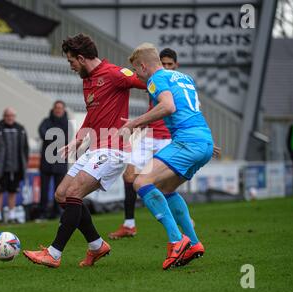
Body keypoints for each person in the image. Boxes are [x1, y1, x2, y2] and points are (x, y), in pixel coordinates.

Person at [23, 33, 146, 268]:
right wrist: (77, 141)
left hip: (114, 149)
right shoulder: (87, 79)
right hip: (95, 147)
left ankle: (54, 253)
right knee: (62, 194)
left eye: (71, 62)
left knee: (74, 193)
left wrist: (162, 107)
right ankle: (97, 245)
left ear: (81, 57)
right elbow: (93, 114)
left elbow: (148, 83)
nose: (71, 67)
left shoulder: (114, 74)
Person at [117, 43, 214, 270]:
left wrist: (134, 123)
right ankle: (194, 243)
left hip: (187, 141)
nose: (138, 77)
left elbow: (168, 106)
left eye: (137, 71)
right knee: (167, 189)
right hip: (204, 141)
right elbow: (187, 109)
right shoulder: (183, 77)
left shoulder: (155, 79)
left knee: (140, 181)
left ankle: (176, 240)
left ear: (142, 65)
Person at [109, 48, 176, 240]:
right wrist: (140, 124)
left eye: (170, 64)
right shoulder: (154, 80)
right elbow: (153, 107)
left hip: (169, 138)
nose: (166, 67)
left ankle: (178, 225)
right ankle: (129, 224)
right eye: (163, 63)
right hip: (150, 135)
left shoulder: (176, 82)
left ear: (176, 66)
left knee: (166, 185)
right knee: (128, 176)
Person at [0, 107, 29, 223]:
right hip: (1, 168)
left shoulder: (21, 129)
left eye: (12, 116)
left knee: (13, 192)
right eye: (7, 116)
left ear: (14, 117)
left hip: (16, 167)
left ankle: (11, 216)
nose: (10, 118)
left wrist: (24, 162)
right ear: (4, 116)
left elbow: (25, 148)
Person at [38, 100, 69, 220]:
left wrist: (53, 137)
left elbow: (67, 139)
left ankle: (58, 213)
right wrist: (57, 138)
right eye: (56, 108)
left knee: (60, 191)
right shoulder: (46, 121)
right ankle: (42, 213)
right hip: (46, 162)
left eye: (60, 108)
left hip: (60, 162)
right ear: (53, 109)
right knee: (44, 190)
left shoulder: (68, 124)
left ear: (63, 110)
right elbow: (42, 133)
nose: (58, 110)